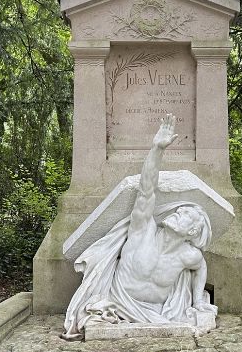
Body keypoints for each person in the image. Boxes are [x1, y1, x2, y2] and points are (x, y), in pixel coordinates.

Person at [62, 114, 217, 340]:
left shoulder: (189, 256)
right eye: (179, 210)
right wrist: (157, 149)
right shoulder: (144, 231)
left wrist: (196, 302)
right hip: (119, 303)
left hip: (158, 312)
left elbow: (201, 267)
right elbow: (146, 190)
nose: (177, 213)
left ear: (192, 232)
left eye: (185, 215)